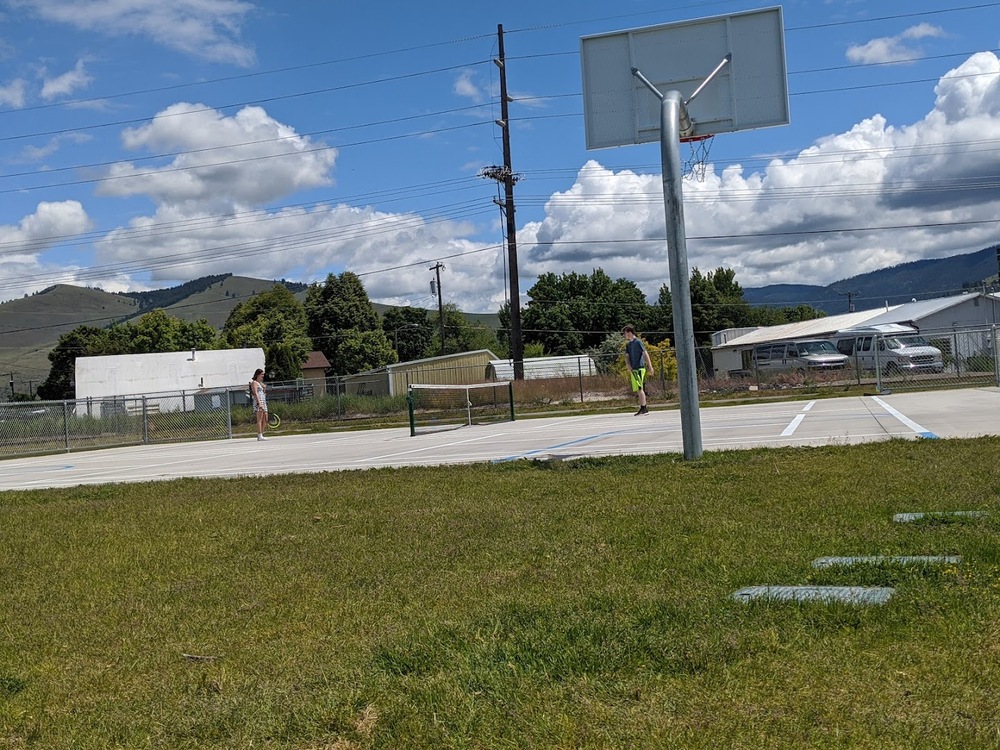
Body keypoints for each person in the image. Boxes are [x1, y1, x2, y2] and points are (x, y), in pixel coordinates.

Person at [623, 326, 654, 416]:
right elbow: (627, 356)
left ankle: (644, 408)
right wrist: (628, 365)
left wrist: (650, 366)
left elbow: (645, 353)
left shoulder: (638, 342)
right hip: (633, 369)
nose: (624, 336)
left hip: (640, 367)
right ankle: (642, 407)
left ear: (629, 333)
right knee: (637, 389)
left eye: (625, 333)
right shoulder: (629, 345)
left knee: (640, 388)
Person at [250, 368, 269, 441]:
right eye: (262, 374)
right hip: (259, 402)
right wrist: (259, 403)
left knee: (265, 419)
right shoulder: (254, 382)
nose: (263, 376)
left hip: (263, 402)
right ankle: (259, 435)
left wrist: (264, 388)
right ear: (258, 374)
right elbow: (255, 393)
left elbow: (263, 393)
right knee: (260, 419)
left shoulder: (260, 384)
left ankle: (261, 434)